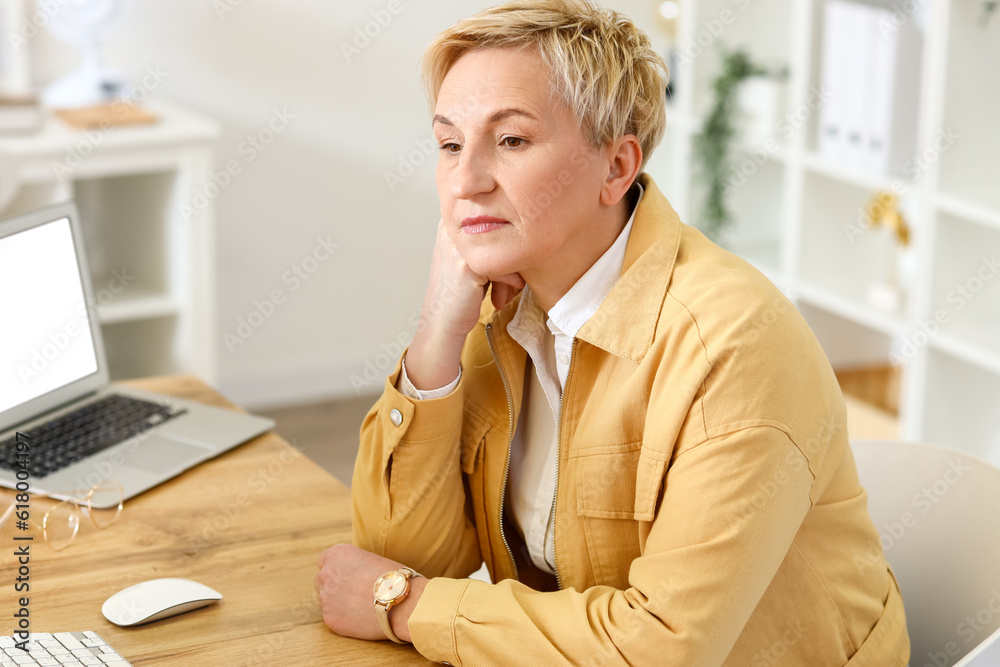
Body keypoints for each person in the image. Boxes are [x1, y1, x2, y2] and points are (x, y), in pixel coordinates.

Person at [314, 1, 910, 664]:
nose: (465, 180)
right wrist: (437, 336)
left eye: (510, 140)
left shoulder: (732, 347)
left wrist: (408, 606)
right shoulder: (506, 307)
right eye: (450, 143)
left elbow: (660, 648)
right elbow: (398, 557)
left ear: (617, 167)